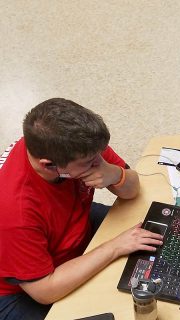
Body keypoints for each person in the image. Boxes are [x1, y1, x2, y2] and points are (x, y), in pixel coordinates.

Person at [0, 98, 163, 319]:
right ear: (48, 165)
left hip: (71, 224)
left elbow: (132, 189)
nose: (99, 161)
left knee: (157, 233)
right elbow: (44, 290)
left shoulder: (76, 145)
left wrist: (115, 174)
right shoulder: (14, 212)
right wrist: (113, 247)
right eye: (90, 162)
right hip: (20, 290)